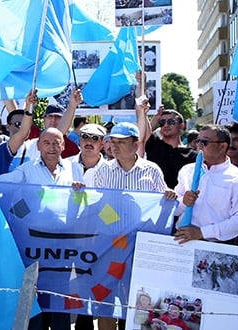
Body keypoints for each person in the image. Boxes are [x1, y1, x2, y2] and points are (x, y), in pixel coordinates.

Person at [0, 128, 84, 330]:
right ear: (38, 146)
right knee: (34, 297)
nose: (52, 147)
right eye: (47, 142)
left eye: (56, 143)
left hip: (62, 244)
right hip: (34, 244)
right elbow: (1, 184)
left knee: (59, 296)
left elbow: (83, 202)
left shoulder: (75, 169)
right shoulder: (26, 170)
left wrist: (80, 192)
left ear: (63, 145)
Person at [93, 122, 175, 330]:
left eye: (121, 142)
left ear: (136, 143)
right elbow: (99, 206)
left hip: (141, 247)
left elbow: (160, 208)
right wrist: (119, 226)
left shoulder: (152, 170)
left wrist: (169, 196)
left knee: (138, 299)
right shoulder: (103, 170)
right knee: (107, 300)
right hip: (111, 246)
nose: (115, 146)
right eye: (113, 141)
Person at [173, 124, 238, 245]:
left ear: (222, 146)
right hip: (180, 238)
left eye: (204, 142)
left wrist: (202, 232)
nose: (198, 146)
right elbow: (174, 210)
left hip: (215, 245)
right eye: (197, 141)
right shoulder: (187, 170)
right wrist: (183, 201)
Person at [138, 105, 197, 188]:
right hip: (156, 198)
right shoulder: (154, 145)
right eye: (162, 122)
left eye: (171, 122)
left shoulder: (193, 155)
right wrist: (156, 118)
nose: (166, 125)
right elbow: (142, 135)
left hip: (180, 199)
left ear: (181, 126)